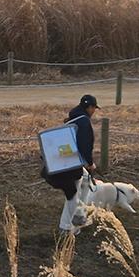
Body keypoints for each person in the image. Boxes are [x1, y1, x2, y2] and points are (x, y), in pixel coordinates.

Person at [42, 94, 100, 233]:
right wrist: (90, 163)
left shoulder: (73, 119)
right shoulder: (84, 122)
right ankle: (67, 227)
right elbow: (86, 145)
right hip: (70, 167)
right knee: (72, 195)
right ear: (90, 107)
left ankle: (79, 214)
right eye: (94, 108)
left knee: (84, 180)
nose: (94, 112)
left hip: (61, 162)